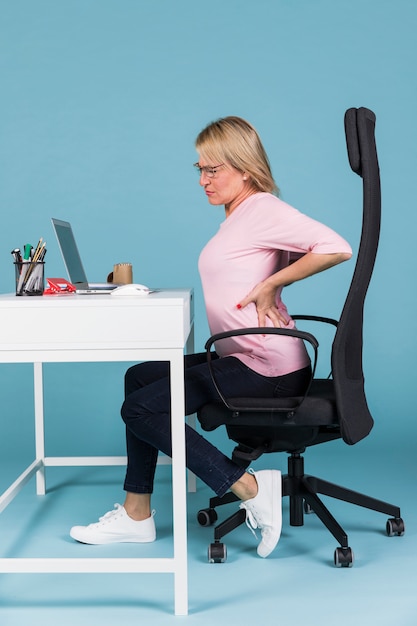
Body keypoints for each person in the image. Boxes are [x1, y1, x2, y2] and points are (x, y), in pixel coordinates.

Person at [70, 116, 352, 558]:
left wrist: (272, 285)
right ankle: (136, 512)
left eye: (213, 170)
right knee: (140, 379)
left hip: (267, 370)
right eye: (199, 169)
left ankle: (247, 485)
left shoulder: (262, 208)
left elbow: (337, 247)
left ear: (244, 168)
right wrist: (272, 280)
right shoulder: (241, 215)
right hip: (244, 358)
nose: (203, 180)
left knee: (139, 409)